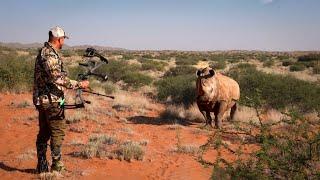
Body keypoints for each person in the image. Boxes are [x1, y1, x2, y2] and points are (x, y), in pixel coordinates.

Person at [33, 26, 89, 173]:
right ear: (59, 39)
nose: (64, 41)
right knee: (57, 131)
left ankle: (42, 165)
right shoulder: (49, 55)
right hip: (51, 101)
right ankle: (57, 166)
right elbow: (57, 78)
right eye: (63, 39)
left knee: (44, 132)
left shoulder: (48, 52)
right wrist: (78, 84)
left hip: (47, 101)